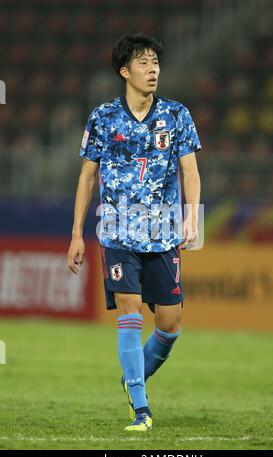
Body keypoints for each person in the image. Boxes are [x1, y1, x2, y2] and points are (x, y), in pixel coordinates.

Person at [67, 32, 201, 432]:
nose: (153, 68)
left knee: (171, 323)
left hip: (163, 233)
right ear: (125, 72)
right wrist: (76, 233)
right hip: (117, 231)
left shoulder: (176, 115)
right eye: (143, 63)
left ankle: (133, 375)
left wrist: (193, 217)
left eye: (155, 61)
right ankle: (141, 409)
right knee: (129, 312)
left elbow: (190, 170)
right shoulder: (103, 118)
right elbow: (87, 178)